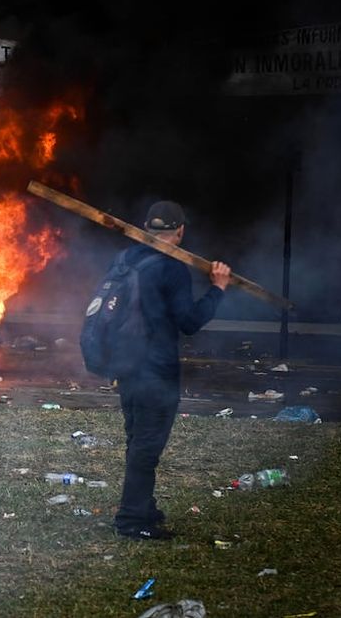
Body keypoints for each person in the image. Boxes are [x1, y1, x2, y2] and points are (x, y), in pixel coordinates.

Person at [111, 200, 231, 541]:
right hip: (155, 371)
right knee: (147, 444)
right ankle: (132, 520)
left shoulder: (125, 259)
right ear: (179, 231)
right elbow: (190, 321)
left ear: (148, 227)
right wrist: (218, 288)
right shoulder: (171, 267)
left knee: (138, 439)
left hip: (127, 366)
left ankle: (144, 507)